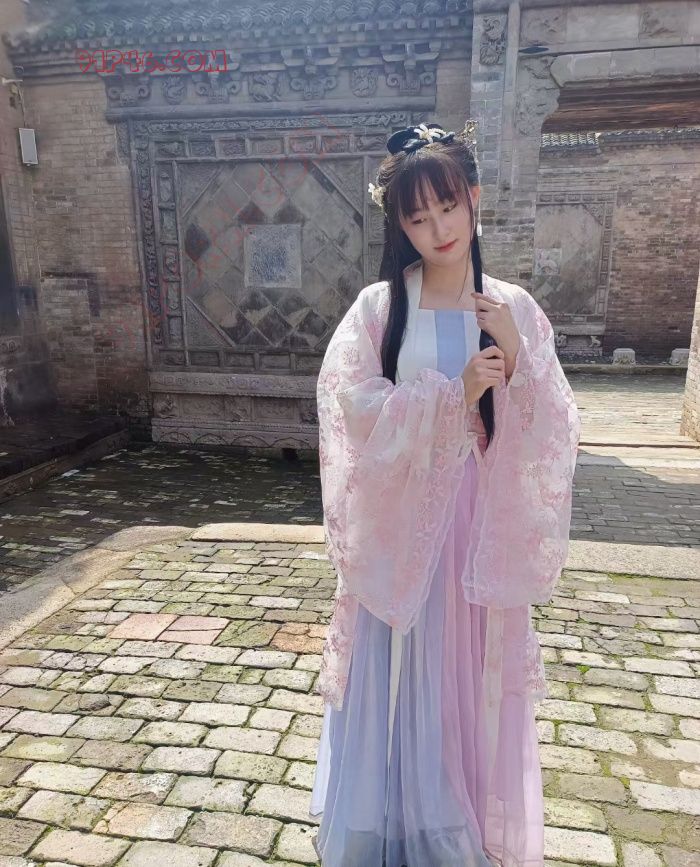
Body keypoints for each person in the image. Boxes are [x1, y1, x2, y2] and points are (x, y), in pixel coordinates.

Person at [309, 120, 581, 867]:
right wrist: (450, 396)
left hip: (477, 522)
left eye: (449, 207)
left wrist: (517, 360)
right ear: (399, 225)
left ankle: (455, 821)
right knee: (400, 663)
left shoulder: (512, 306)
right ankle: (392, 819)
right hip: (405, 523)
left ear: (474, 199)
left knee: (465, 672)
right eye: (418, 217)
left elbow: (556, 421)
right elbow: (350, 405)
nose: (438, 229)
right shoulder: (379, 307)